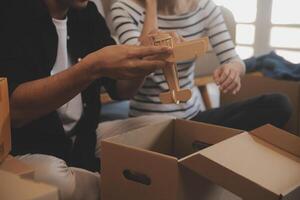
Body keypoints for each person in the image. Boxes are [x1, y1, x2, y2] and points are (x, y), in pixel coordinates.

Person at [0, 0, 173, 199]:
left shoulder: (88, 14)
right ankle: (122, 185)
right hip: (31, 148)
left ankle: (116, 183)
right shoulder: (11, 11)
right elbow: (14, 111)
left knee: (164, 128)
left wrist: (146, 61)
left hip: (84, 138)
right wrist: (91, 68)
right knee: (53, 177)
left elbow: (121, 90)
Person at [111, 0, 292, 131]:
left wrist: (232, 70)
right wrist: (151, 6)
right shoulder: (124, 8)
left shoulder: (205, 8)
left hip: (193, 119)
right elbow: (139, 65)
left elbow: (233, 59)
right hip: (146, 125)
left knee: (279, 104)